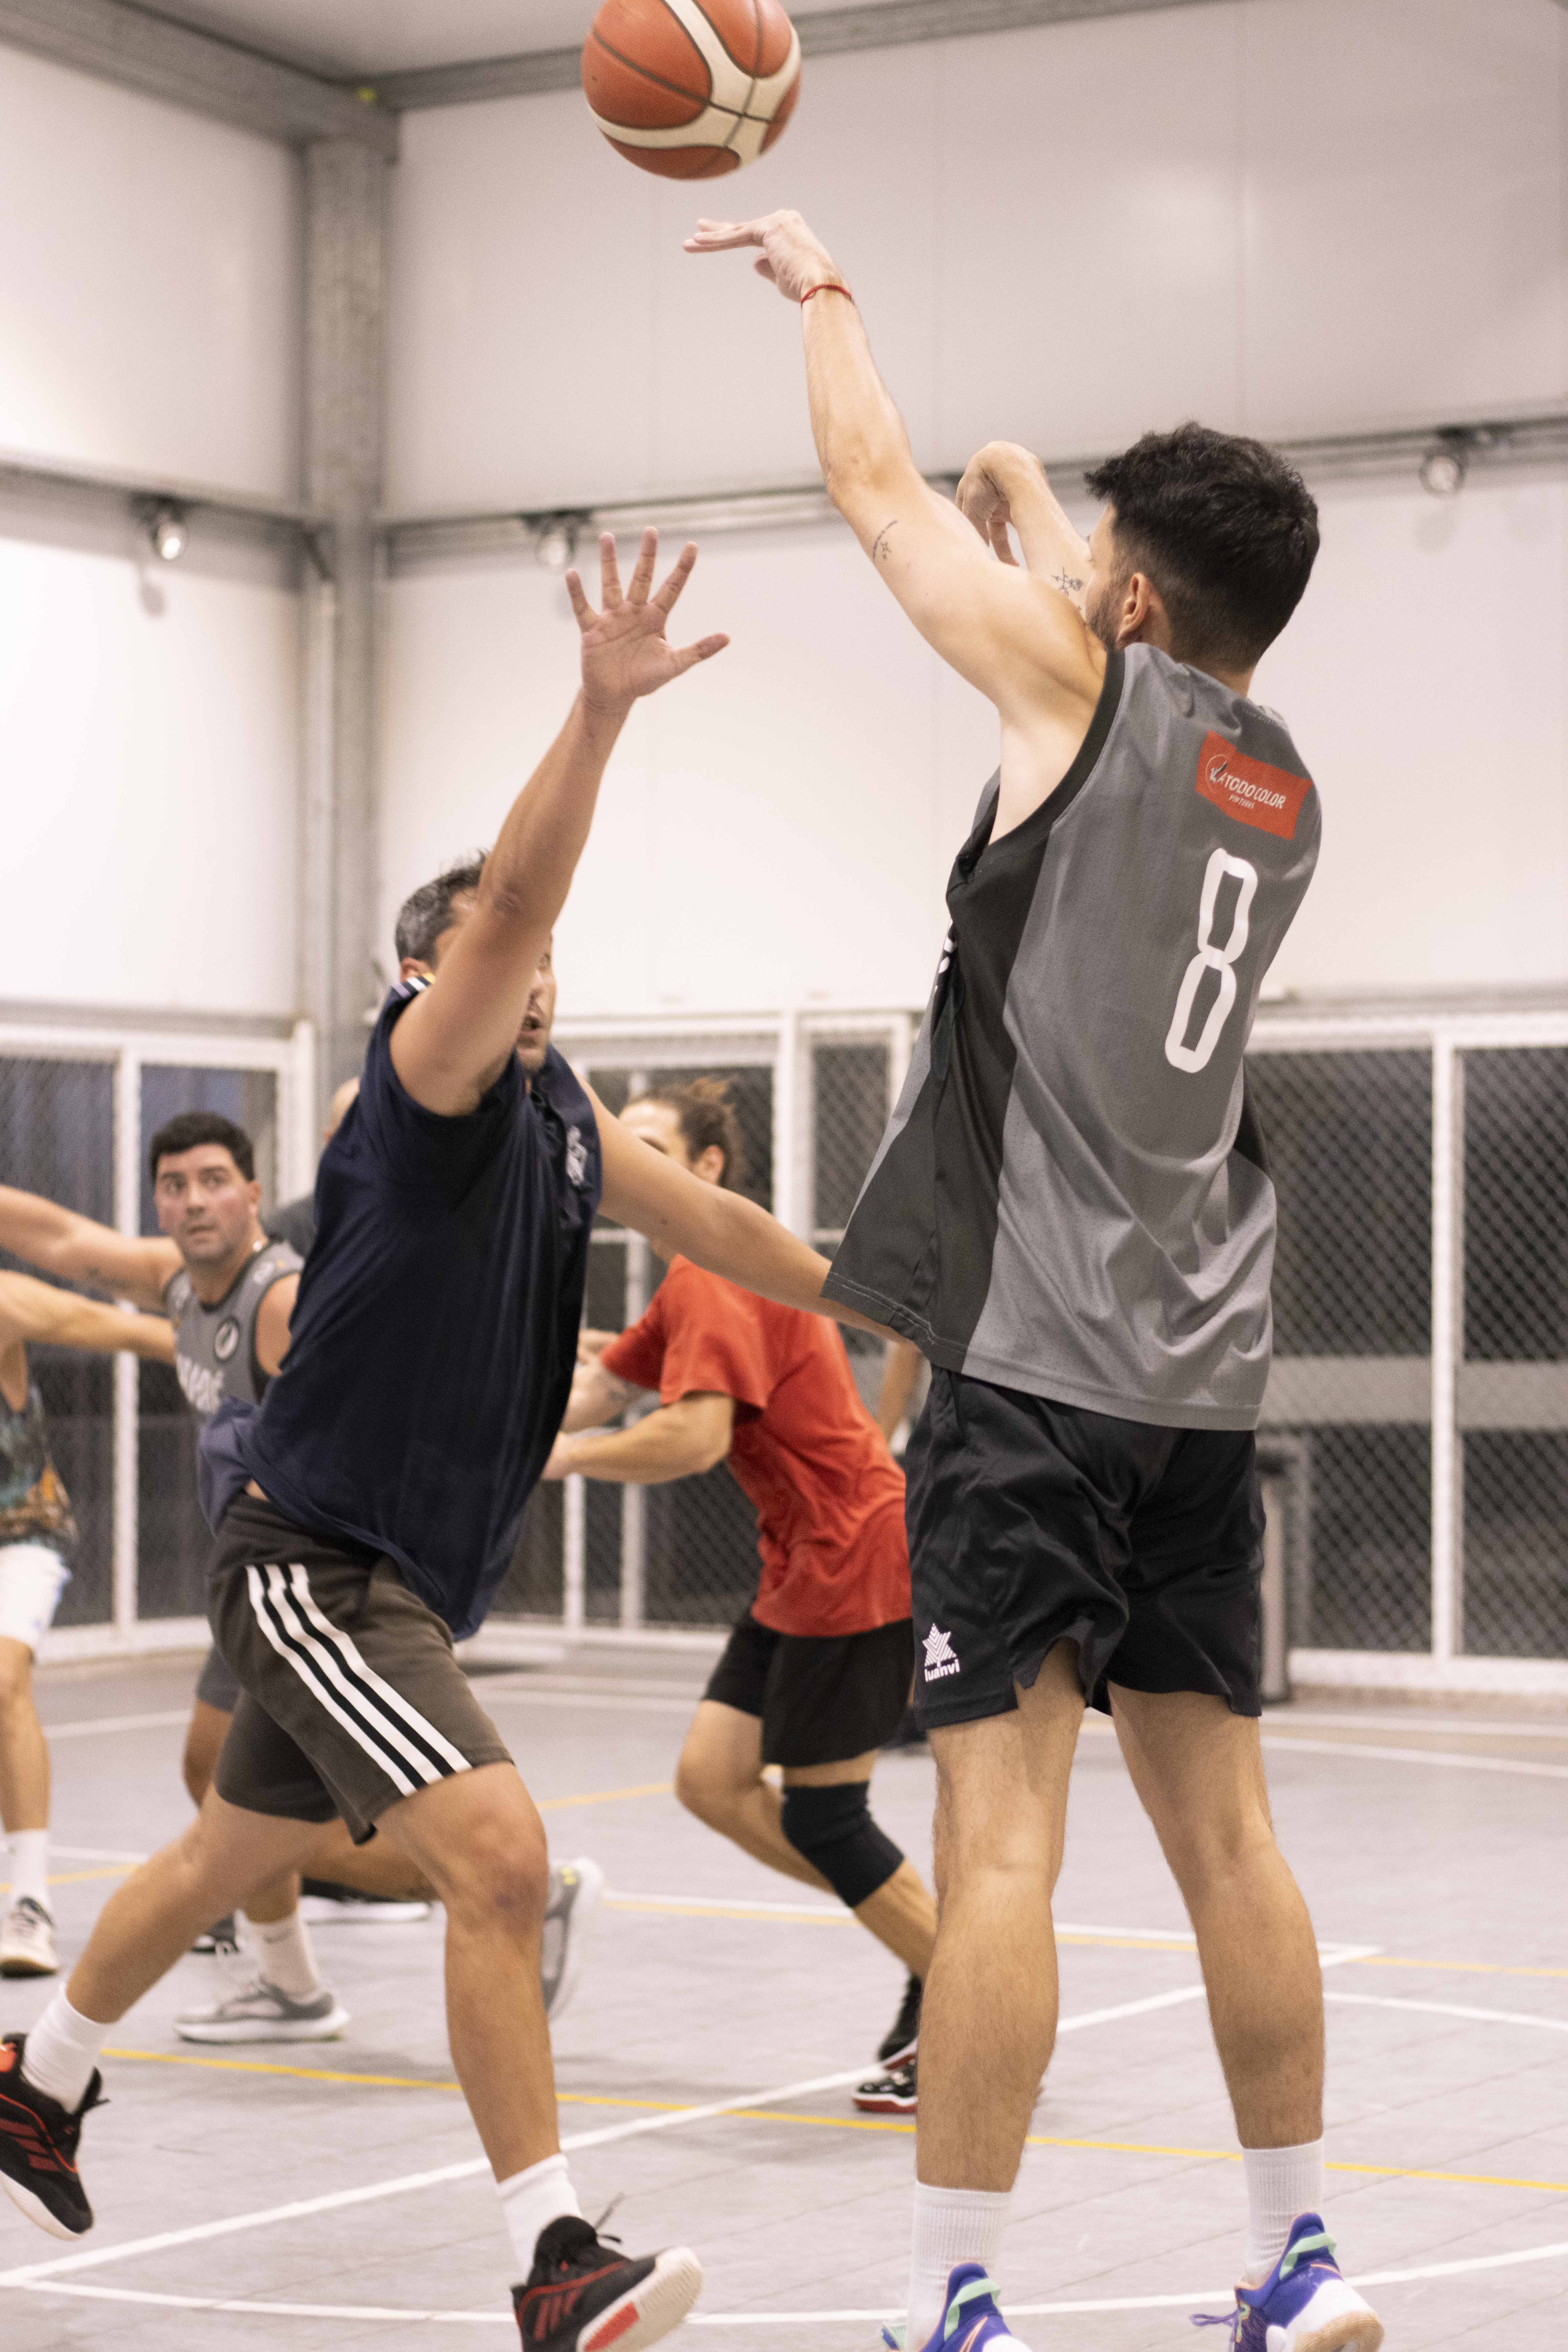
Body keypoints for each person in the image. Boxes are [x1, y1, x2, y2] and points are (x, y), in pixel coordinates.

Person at [0, 528, 849, 2350]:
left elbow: (730, 1233)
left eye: (538, 960)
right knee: (502, 1860)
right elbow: (521, 891)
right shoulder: (428, 1077)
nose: (529, 971)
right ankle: (555, 2257)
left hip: (387, 1572)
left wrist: (901, 1292)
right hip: (321, 1566)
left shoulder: (562, 1114)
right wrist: (598, 713)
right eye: (493, 951)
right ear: (427, 974)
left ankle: (34, 2080)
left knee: (230, 1854)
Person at [687, 211, 1381, 2352]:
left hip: (1030, 1368)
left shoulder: (1076, 690)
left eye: (1096, 570)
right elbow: (1100, 638)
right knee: (1230, 1842)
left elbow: (868, 489)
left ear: (1131, 605)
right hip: (1196, 1381)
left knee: (999, 1850)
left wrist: (824, 293)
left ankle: (951, 2293)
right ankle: (1297, 2258)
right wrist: (1036, 512)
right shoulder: (1281, 783)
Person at [544, 1080, 934, 2111]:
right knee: (713, 1781)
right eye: (617, 1142)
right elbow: (604, 1385)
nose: (624, 1160)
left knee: (828, 1820)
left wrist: (568, 1460)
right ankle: (934, 1937)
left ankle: (970, 1987)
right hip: (799, 1563)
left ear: (707, 1168)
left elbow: (694, 1436)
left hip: (854, 1559)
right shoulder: (691, 1274)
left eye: (652, 1146)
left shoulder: (713, 1272)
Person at [0, 1277, 175, 1978]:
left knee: (4, 1681)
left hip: (21, 1535)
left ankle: (30, 1903)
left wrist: (238, 1355)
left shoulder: (4, 1304)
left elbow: (117, 1327)